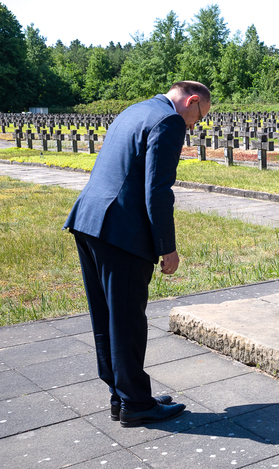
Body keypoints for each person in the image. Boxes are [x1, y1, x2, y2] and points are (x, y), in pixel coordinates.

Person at [63, 81, 210, 427]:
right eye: (198, 117)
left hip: (90, 221)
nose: (193, 126)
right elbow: (158, 190)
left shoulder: (137, 109)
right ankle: (136, 404)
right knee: (127, 320)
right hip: (122, 233)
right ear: (190, 101)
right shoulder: (169, 121)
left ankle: (123, 395)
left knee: (107, 318)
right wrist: (167, 248)